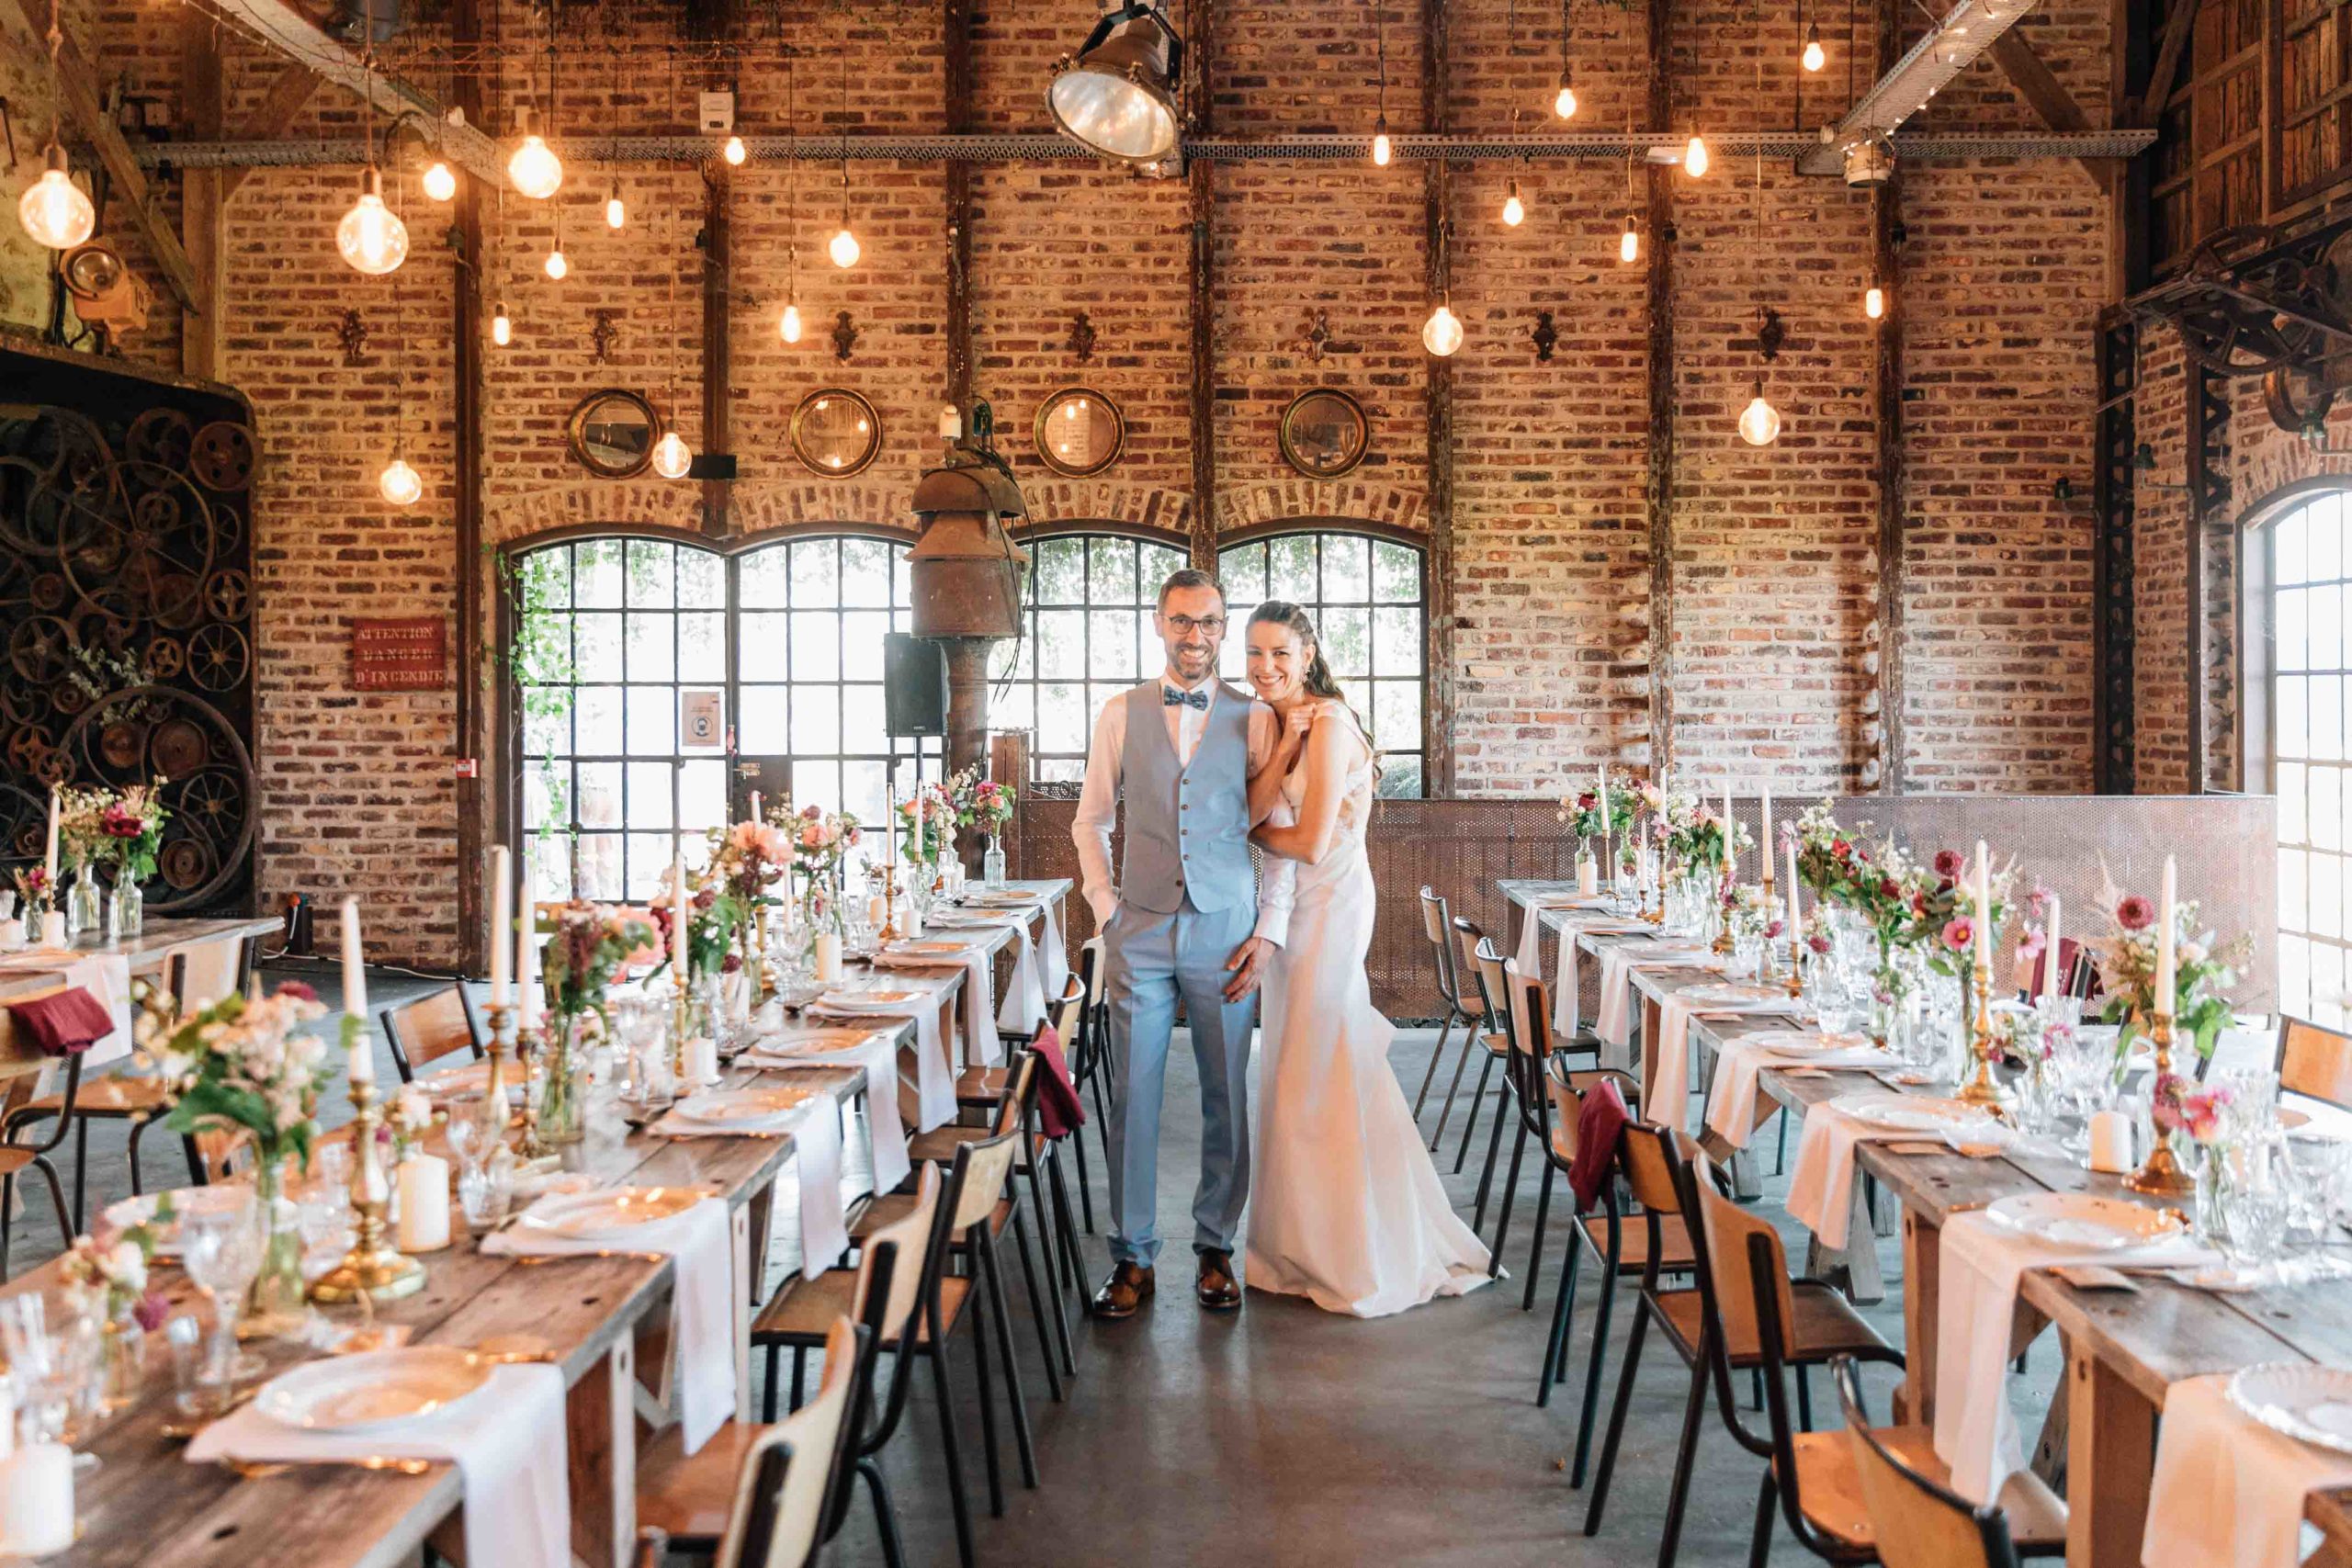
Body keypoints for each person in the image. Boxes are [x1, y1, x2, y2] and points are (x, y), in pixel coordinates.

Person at [1240, 600, 1491, 1317]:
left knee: (1320, 1063)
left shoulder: (1330, 723)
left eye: (1280, 653)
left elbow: (1311, 842)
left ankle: (1350, 1251)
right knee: (1295, 1066)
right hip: (1299, 913)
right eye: (1254, 654)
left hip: (1334, 909)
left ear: (1309, 651)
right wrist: (1276, 768)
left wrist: (1252, 831)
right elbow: (1260, 809)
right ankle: (1292, 1247)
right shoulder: (1280, 724)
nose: (1266, 668)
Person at [1071, 569, 1295, 1318]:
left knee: (1225, 1092)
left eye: (1208, 622)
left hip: (1227, 929)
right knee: (1133, 1093)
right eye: (1180, 621)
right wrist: (1107, 911)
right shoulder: (1118, 713)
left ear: (1223, 629)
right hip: (1140, 928)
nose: (1194, 635)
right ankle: (1131, 1256)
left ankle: (1215, 1248)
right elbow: (1090, 820)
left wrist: (1268, 930)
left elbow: (1281, 837)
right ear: (1158, 623)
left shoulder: (1255, 718)